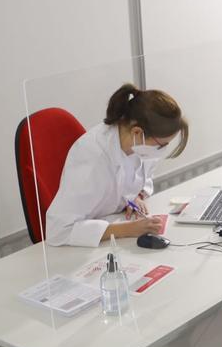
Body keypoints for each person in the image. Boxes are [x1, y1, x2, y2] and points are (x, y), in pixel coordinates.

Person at [44, 84, 187, 246]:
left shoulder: (139, 146)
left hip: (115, 227)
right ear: (137, 132)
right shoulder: (93, 156)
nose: (161, 151)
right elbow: (58, 231)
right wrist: (127, 229)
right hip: (80, 246)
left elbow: (138, 179)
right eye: (161, 145)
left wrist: (136, 197)